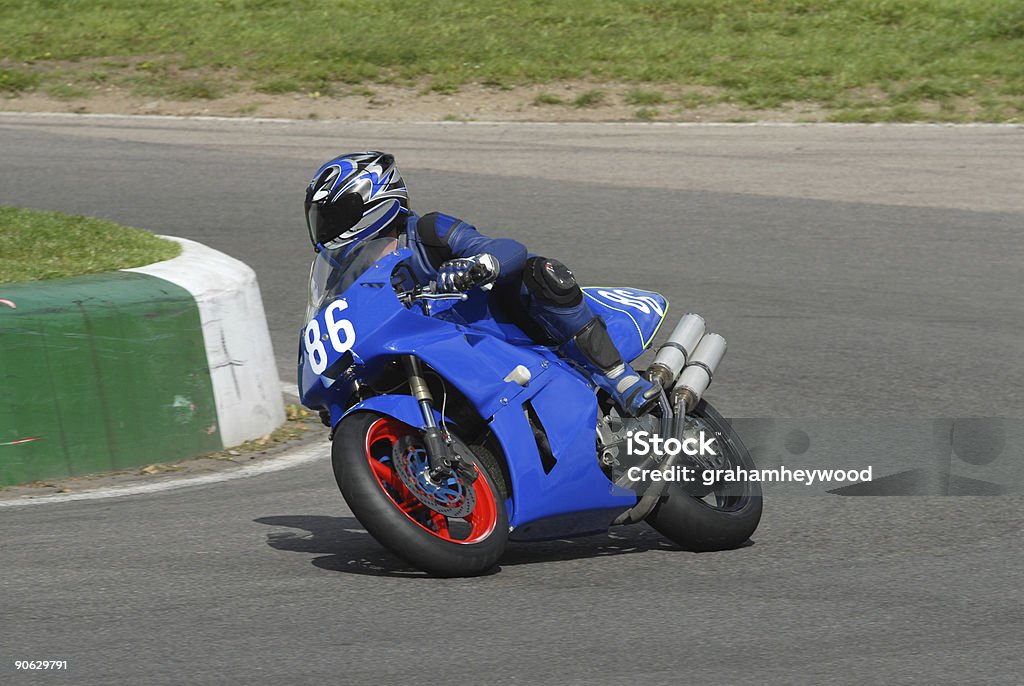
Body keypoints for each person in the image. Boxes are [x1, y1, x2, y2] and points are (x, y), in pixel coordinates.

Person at [304, 151, 658, 416]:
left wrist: (477, 266)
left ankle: (621, 378)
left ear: (373, 199)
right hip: (436, 357)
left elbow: (504, 249)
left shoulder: (428, 231)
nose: (325, 229)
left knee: (540, 271)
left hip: (496, 329)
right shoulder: (349, 277)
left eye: (332, 215)